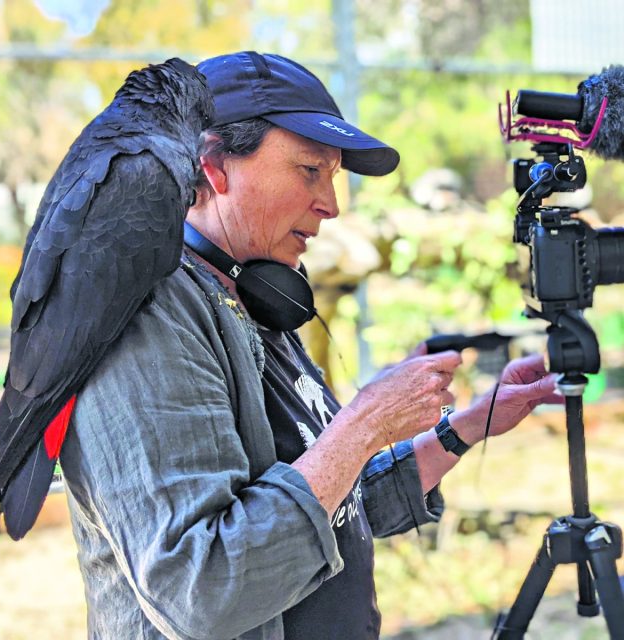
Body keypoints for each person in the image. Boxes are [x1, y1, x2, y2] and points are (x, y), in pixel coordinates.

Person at [59, 51, 560, 640]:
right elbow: (202, 589)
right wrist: (367, 421)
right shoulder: (150, 315)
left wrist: (464, 427)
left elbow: (328, 513)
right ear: (214, 166)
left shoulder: (256, 293)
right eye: (309, 171)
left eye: (334, 176)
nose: (331, 204)